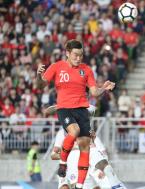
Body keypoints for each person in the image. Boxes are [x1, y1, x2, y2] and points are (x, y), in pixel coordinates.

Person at [37, 39, 115, 189]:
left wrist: (103, 88)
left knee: (84, 146)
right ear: (67, 53)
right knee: (74, 131)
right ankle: (63, 164)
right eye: (75, 55)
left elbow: (94, 92)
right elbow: (41, 84)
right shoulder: (57, 67)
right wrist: (38, 76)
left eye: (81, 55)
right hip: (64, 108)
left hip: (82, 110)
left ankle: (79, 186)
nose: (78, 58)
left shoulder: (86, 69)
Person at [47, 105, 127, 189]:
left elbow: (102, 151)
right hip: (74, 166)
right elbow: (53, 155)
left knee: (102, 184)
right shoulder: (62, 133)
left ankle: (117, 184)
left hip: (91, 165)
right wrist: (71, 151)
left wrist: (102, 169)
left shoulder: (89, 132)